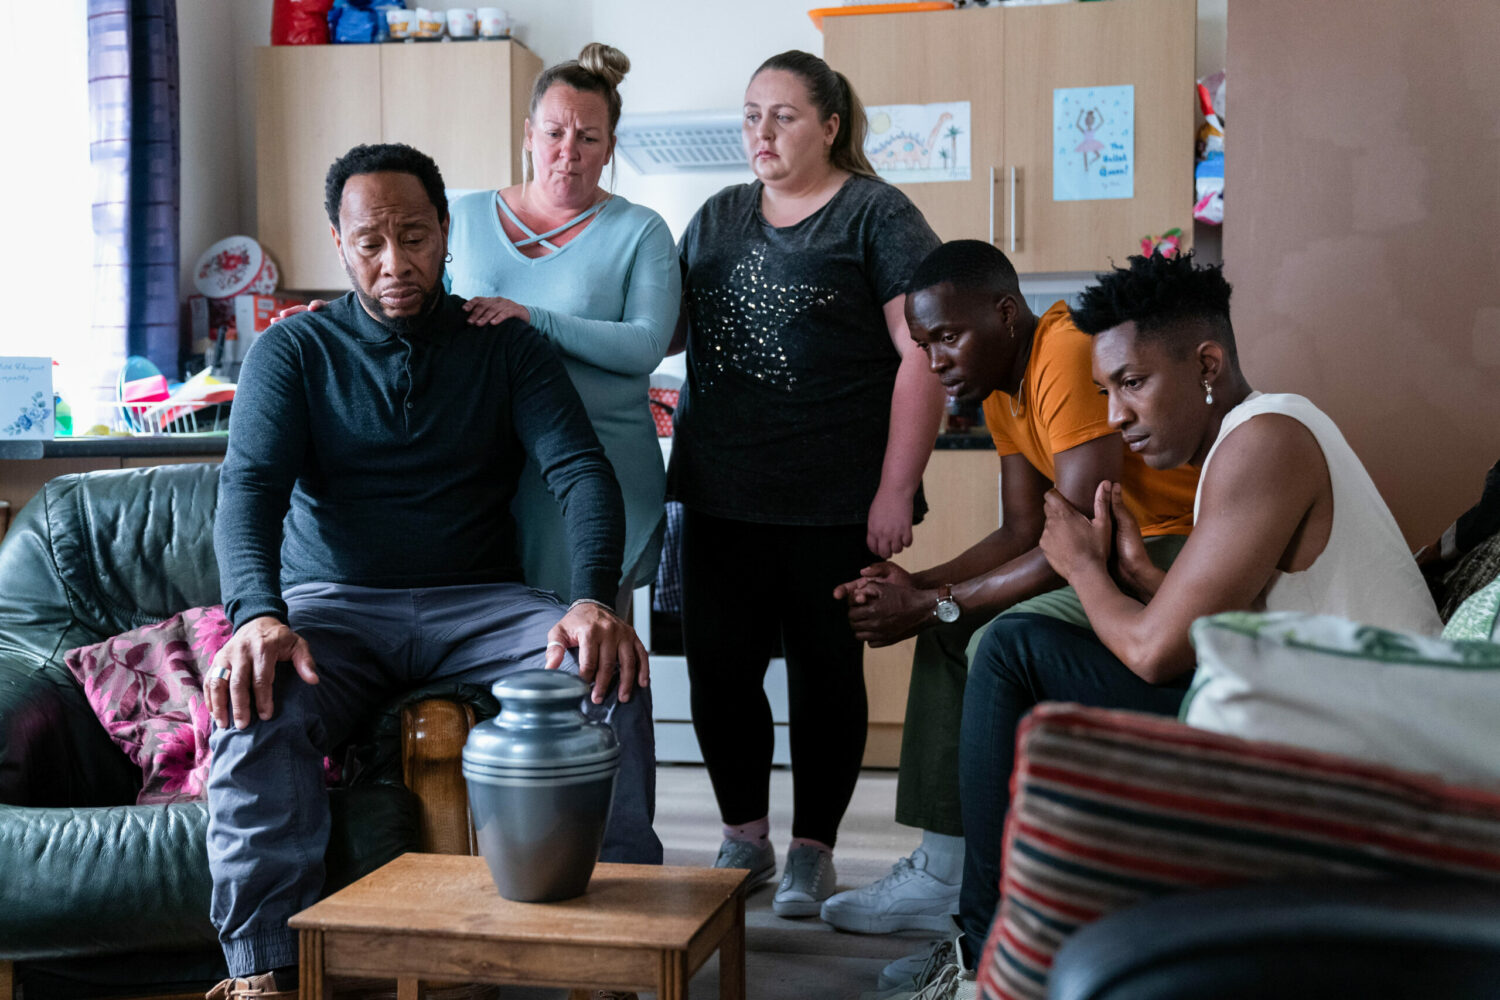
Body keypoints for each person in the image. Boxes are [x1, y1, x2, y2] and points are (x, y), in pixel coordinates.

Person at [902, 251, 1442, 1000]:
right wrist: (1145, 574)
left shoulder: (1264, 441)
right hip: (1316, 701)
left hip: (1357, 739)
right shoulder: (1249, 436)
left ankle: (987, 962)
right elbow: (1226, 625)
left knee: (1014, 651)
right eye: (1105, 390)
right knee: (1026, 651)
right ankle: (1013, 930)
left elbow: (1158, 655)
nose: (1117, 415)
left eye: (1133, 383)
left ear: (1208, 364)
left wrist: (1084, 566)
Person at [203, 142, 659, 1000]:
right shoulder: (293, 353)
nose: (393, 262)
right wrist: (257, 616)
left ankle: (623, 955)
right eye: (369, 241)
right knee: (252, 703)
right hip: (333, 611)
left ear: (447, 232)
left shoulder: (505, 347)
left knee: (609, 677)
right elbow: (251, 489)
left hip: (480, 606)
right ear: (337, 243)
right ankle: (263, 969)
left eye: (413, 236)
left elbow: (580, 473)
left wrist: (594, 599)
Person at [826, 241, 1197, 986]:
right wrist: (918, 585)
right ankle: (944, 866)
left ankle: (983, 920)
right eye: (924, 344)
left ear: (1004, 312)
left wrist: (931, 604)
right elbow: (1021, 531)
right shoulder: (1000, 386)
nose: (935, 361)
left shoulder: (1060, 352)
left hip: (1164, 550)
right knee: (947, 628)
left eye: (949, 336)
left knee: (982, 632)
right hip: (1100, 548)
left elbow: (1082, 531)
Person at [673, 50, 944, 918]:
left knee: (826, 676)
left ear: (830, 125)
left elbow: (925, 354)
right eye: (752, 114)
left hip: (834, 498)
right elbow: (660, 332)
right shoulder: (714, 218)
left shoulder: (876, 215)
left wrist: (896, 490)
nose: (762, 132)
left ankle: (812, 854)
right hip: (720, 494)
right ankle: (743, 838)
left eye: (783, 115)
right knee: (719, 673)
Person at [446, 42, 679, 610]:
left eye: (588, 138)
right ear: (528, 135)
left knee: (590, 661)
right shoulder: (461, 216)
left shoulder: (640, 231)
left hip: (601, 470)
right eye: (553, 133)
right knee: (482, 669)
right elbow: (409, 312)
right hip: (481, 474)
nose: (567, 152)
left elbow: (647, 344)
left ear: (609, 149)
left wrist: (532, 317)